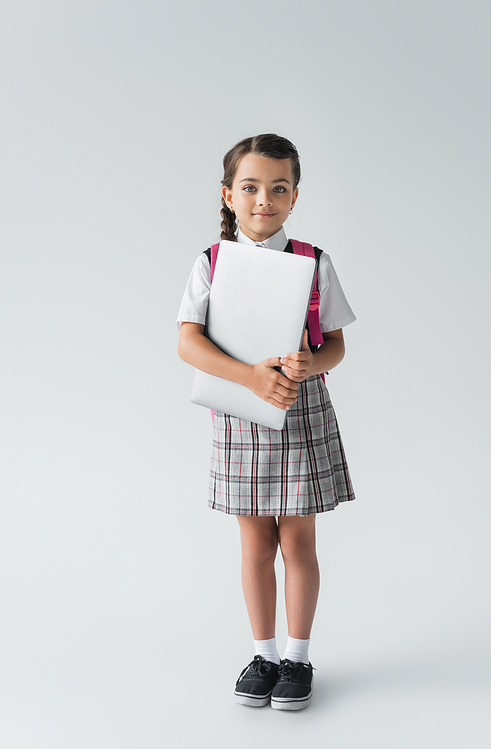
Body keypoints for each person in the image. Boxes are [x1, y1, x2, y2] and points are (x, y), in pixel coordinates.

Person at [177, 134, 356, 711]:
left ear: (294, 196)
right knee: (254, 540)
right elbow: (187, 344)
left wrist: (312, 361)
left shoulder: (313, 262)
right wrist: (249, 377)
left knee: (297, 539)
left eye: (278, 188)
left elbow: (336, 347)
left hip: (300, 409)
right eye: (250, 187)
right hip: (241, 411)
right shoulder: (210, 263)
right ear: (228, 195)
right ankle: (263, 654)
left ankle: (298, 659)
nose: (263, 199)